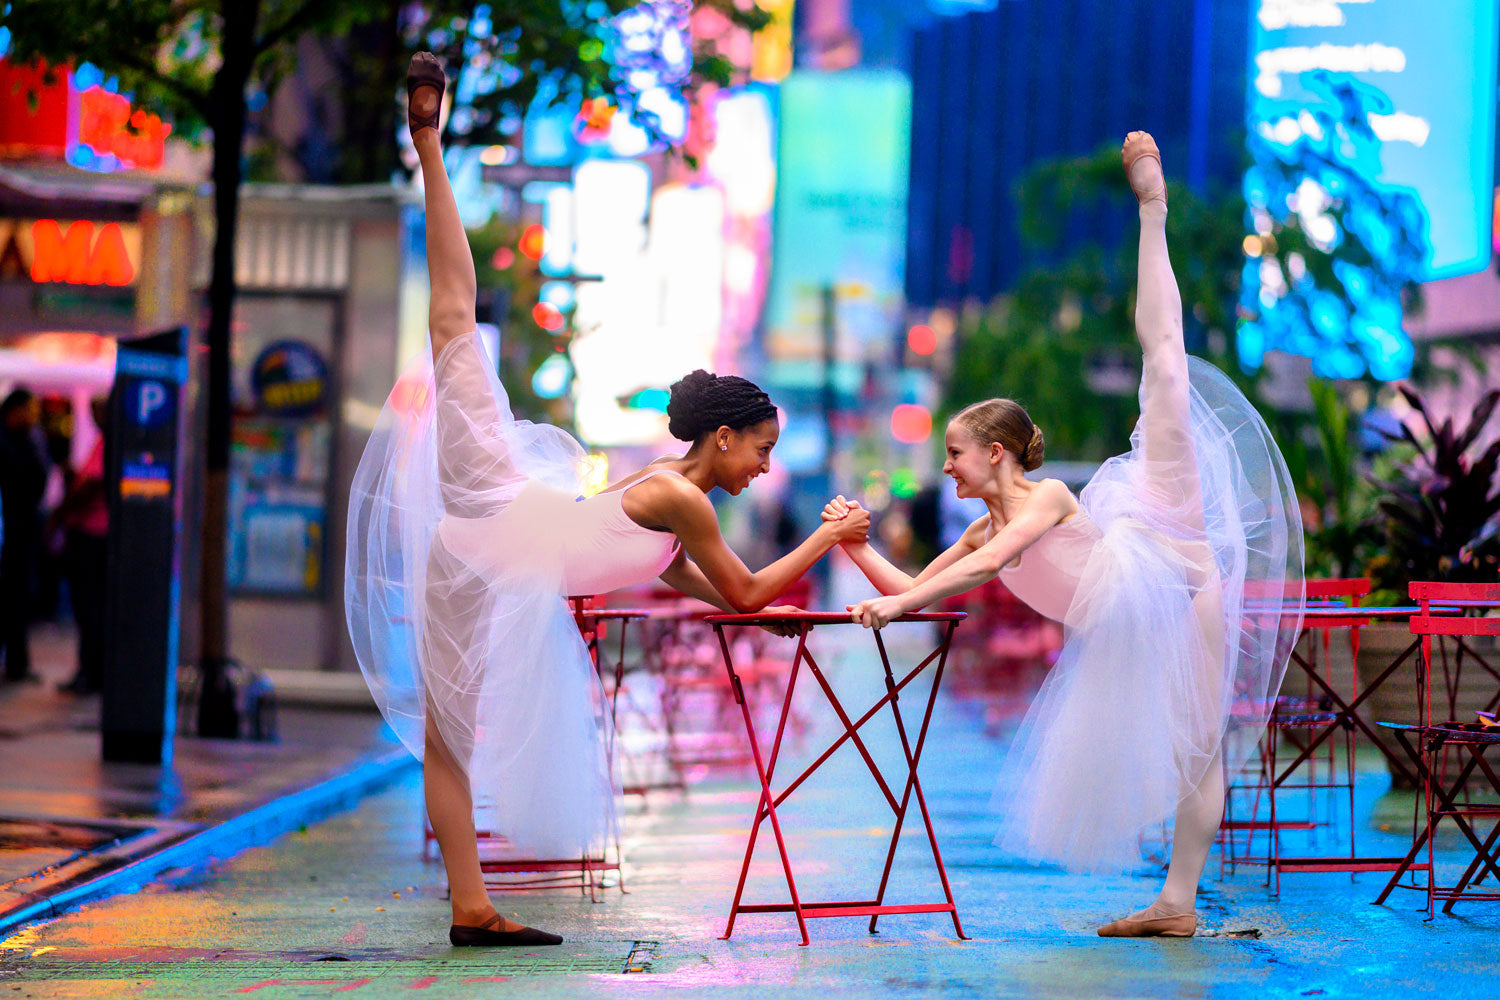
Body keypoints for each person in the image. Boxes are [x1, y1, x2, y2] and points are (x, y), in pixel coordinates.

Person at [344, 53, 869, 949]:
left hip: (479, 551)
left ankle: (472, 910)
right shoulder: (680, 495)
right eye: (763, 451)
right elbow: (739, 589)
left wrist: (764, 613)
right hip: (496, 506)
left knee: (448, 740)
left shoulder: (668, 503)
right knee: (454, 323)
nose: (764, 470)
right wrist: (830, 539)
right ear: (723, 439)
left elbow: (676, 579)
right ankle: (428, 142)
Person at [826, 133, 1304, 937]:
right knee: (1193, 750)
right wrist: (855, 548)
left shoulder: (1042, 499)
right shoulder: (985, 526)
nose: (944, 468)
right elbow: (915, 591)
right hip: (1138, 600)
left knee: (1166, 368)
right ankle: (1177, 904)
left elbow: (987, 569)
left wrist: (889, 604)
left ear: (997, 453)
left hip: (1176, 576)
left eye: (953, 452)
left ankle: (1153, 212)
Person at [51, 398, 110, 695]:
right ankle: (91, 670)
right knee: (89, 608)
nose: (94, 417)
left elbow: (94, 485)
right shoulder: (103, 442)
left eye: (98, 411)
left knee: (89, 607)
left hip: (93, 534)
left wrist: (60, 513)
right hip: (90, 533)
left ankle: (91, 671)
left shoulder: (110, 442)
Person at [0, 389, 47, 684]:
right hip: (12, 530)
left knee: (17, 598)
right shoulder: (9, 442)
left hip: (20, 531)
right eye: (29, 410)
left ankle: (17, 662)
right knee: (11, 597)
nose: (34, 417)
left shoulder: (26, 438)